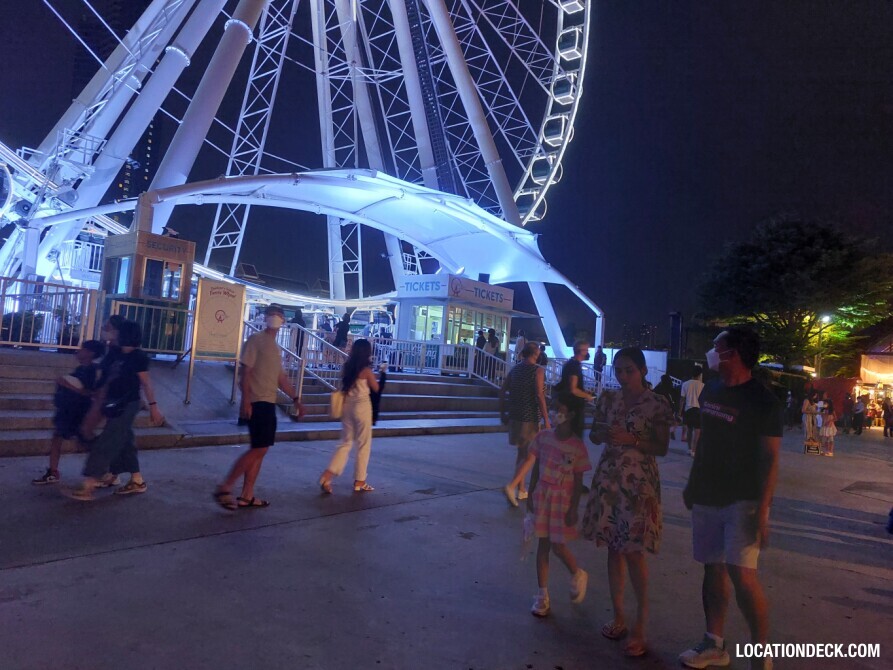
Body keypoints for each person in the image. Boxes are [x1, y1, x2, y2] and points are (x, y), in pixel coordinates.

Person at [679, 328, 782, 670]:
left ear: (733, 353)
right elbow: (706, 442)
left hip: (743, 500)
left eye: (717, 347)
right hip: (708, 493)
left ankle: (761, 652)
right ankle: (714, 643)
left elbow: (770, 459)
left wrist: (763, 511)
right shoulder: (711, 389)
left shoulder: (763, 401)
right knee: (713, 568)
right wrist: (692, 485)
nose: (711, 351)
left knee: (743, 575)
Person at [582, 347, 673, 658]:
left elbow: (661, 446)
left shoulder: (657, 403)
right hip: (609, 479)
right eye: (618, 370)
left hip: (639, 484)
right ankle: (619, 615)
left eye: (629, 370)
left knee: (634, 551)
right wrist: (602, 434)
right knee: (613, 547)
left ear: (643, 370)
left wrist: (631, 440)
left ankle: (640, 625)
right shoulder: (608, 398)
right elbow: (594, 434)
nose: (623, 376)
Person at [214, 305, 304, 510]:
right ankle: (225, 486)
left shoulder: (275, 347)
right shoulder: (255, 341)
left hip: (269, 402)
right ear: (265, 318)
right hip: (258, 401)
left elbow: (281, 378)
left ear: (283, 321)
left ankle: (247, 495)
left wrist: (296, 398)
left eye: (278, 315)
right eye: (271, 314)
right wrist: (246, 400)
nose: (275, 318)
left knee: (260, 449)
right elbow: (245, 373)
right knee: (259, 448)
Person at [65, 320, 165, 501]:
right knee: (123, 439)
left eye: (115, 331)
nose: (112, 334)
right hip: (112, 402)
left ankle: (89, 482)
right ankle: (133, 479)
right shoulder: (116, 353)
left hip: (127, 403)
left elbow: (146, 383)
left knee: (109, 439)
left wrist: (154, 408)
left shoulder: (138, 357)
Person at [520, 395, 591, 617]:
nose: (553, 413)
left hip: (562, 501)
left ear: (571, 414)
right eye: (552, 408)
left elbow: (578, 481)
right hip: (543, 497)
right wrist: (531, 492)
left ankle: (577, 573)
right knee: (543, 545)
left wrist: (573, 508)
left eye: (558, 409)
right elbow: (536, 467)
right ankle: (542, 595)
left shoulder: (577, 446)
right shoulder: (543, 437)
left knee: (558, 546)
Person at [31, 339, 105, 485]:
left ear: (90, 353)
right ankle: (53, 471)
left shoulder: (91, 371)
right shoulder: (82, 369)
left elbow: (89, 392)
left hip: (77, 411)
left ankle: (104, 469)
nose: (79, 351)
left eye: (83, 349)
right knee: (60, 436)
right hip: (69, 409)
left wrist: (67, 384)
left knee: (85, 440)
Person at [319, 339, 385, 493]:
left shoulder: (347, 368)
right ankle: (360, 480)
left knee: (346, 442)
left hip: (347, 406)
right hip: (362, 407)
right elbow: (377, 388)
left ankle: (328, 475)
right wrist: (383, 374)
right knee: (363, 444)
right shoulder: (366, 371)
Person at [501, 342, 551, 506]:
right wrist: (546, 419)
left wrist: (502, 413)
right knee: (531, 456)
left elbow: (502, 390)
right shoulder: (537, 371)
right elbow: (540, 395)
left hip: (515, 416)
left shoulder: (515, 370)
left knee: (522, 453)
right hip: (530, 418)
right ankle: (511, 486)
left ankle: (521, 490)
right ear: (536, 354)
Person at [556, 340, 594, 438]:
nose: (587, 353)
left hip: (566, 405)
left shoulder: (569, 364)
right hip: (573, 408)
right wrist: (587, 396)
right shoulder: (575, 366)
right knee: (574, 438)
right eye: (586, 350)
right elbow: (573, 389)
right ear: (581, 351)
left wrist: (583, 391)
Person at [679, 366, 704, 457]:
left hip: (688, 409)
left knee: (689, 430)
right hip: (698, 409)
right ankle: (694, 450)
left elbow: (682, 399)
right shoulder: (702, 385)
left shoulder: (685, 384)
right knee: (697, 431)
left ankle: (689, 449)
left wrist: (679, 411)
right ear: (700, 374)